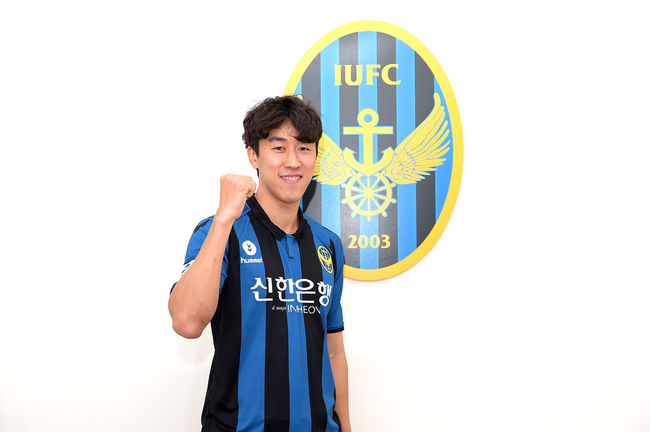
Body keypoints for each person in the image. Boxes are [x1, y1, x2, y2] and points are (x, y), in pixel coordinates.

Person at [169, 96, 351, 432]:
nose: (293, 161)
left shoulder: (328, 245)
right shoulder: (219, 232)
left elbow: (333, 350)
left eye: (304, 148)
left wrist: (346, 425)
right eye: (278, 148)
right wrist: (224, 218)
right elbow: (187, 322)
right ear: (253, 155)